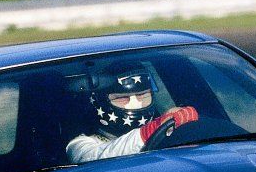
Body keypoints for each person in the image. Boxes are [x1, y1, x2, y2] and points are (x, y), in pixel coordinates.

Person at [66, 64, 199, 164]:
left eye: (142, 95)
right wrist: (150, 131)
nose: (136, 104)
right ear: (101, 103)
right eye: (122, 98)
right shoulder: (79, 144)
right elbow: (95, 157)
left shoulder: (167, 127)